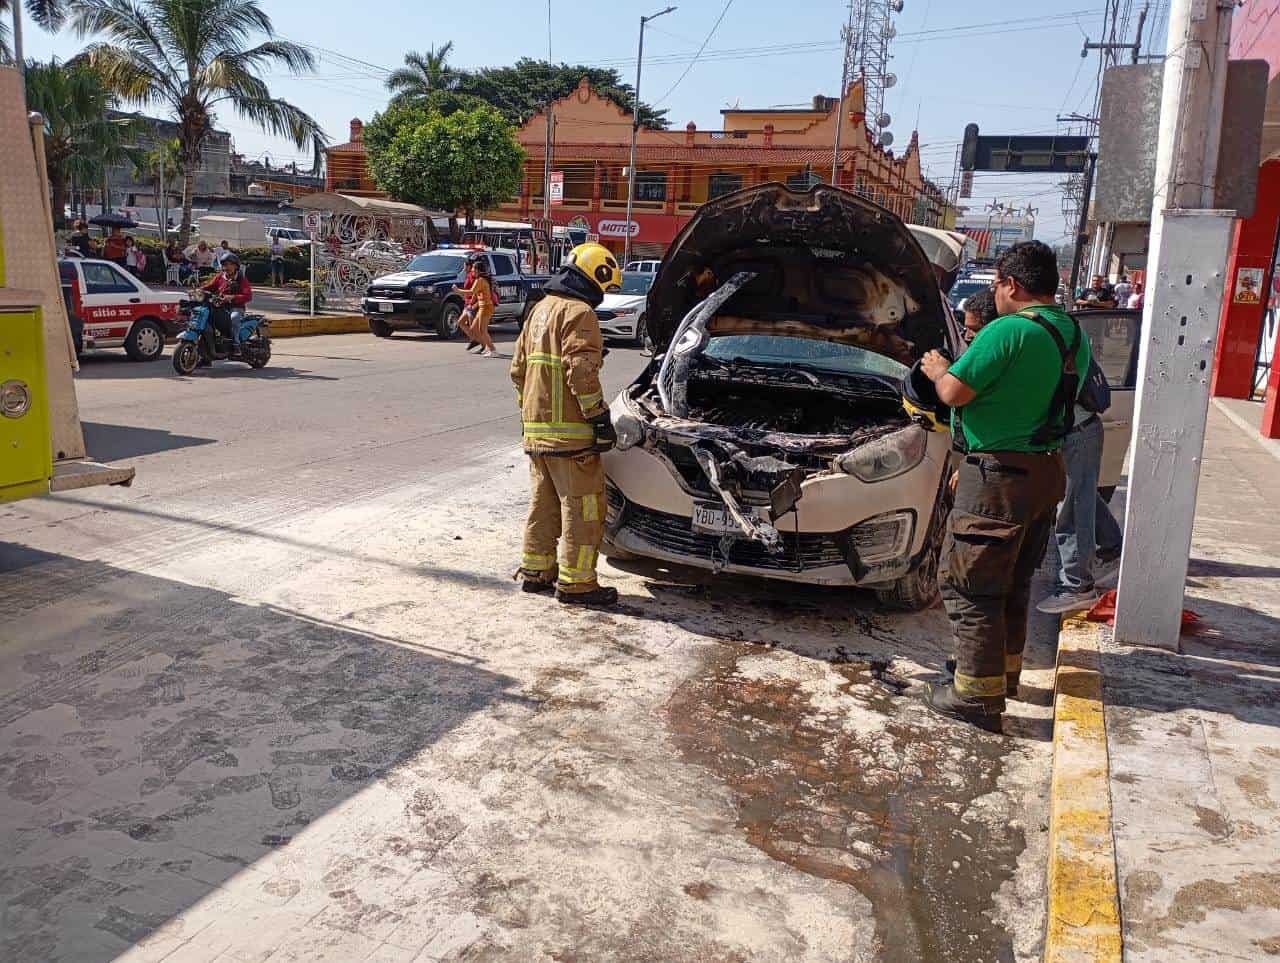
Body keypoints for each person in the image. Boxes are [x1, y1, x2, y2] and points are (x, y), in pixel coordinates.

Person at [919, 240, 1091, 733]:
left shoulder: (1009, 330)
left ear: (1011, 285)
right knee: (1015, 580)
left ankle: (974, 696)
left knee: (970, 585)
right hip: (1044, 471)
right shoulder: (1072, 332)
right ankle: (1004, 676)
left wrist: (937, 370)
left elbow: (954, 392)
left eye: (996, 284)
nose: (993, 293)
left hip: (1000, 476)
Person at [510, 241, 621, 608]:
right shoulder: (580, 312)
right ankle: (578, 584)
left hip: (537, 435)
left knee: (543, 506)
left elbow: (518, 371)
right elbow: (581, 372)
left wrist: (532, 418)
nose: (603, 298)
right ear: (596, 276)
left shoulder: (540, 310)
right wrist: (599, 419)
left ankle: (536, 572)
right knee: (584, 509)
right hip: (571, 438)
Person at [199, 253, 252, 356]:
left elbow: (248, 296)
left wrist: (232, 297)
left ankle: (236, 344)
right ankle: (206, 354)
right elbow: (209, 286)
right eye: (224, 265)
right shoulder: (220, 277)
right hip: (220, 306)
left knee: (234, 318)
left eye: (229, 264)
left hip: (236, 307)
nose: (227, 267)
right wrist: (198, 290)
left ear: (236, 266)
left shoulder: (241, 279)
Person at [456, 258, 498, 357]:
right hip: (482, 307)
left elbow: (471, 292)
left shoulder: (480, 280)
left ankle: (493, 350)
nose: (472, 271)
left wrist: (458, 290)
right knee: (474, 329)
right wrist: (471, 303)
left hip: (486, 307)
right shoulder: (480, 280)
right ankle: (486, 347)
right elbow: (476, 293)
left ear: (478, 271)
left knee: (482, 330)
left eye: (474, 270)